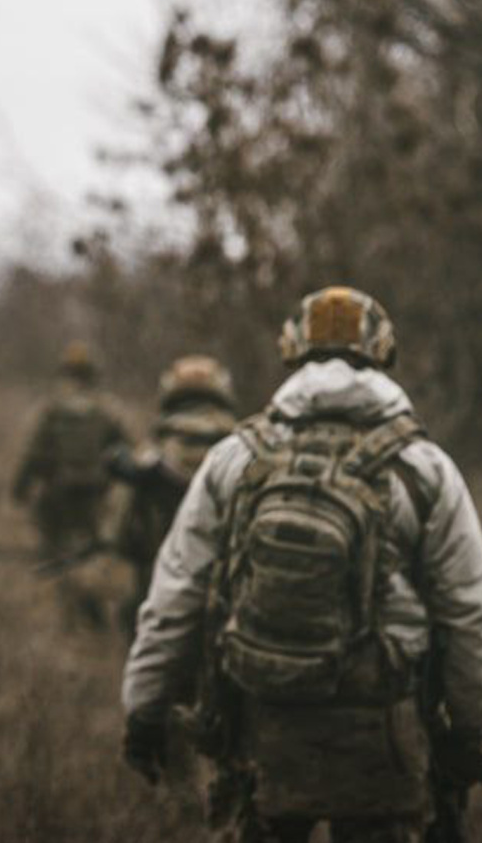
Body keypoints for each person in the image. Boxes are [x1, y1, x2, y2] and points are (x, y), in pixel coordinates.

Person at [122, 286, 482, 842]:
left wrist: (144, 708)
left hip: (261, 726)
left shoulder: (235, 458)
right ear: (382, 354)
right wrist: (473, 731)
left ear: (291, 352)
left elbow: (175, 596)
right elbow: (467, 614)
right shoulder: (424, 467)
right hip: (384, 731)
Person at [104, 355, 238, 638]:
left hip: (161, 579)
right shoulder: (240, 445)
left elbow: (124, 528)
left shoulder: (154, 449)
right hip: (226, 584)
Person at [14, 341, 127, 625]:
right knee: (92, 550)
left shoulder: (52, 409)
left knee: (57, 550)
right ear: (93, 375)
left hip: (59, 491)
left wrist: (21, 486)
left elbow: (35, 452)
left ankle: (70, 610)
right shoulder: (107, 409)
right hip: (95, 492)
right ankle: (92, 603)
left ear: (65, 373)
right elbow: (125, 450)